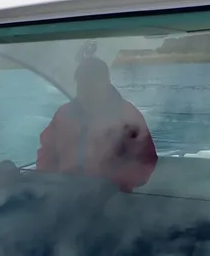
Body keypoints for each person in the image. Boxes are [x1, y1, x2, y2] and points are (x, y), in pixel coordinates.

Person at [36, 57, 157, 192]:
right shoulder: (63, 114)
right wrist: (47, 180)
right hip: (65, 193)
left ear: (106, 83)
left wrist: (118, 182)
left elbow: (146, 159)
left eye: (92, 85)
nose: (86, 92)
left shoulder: (128, 116)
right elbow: (47, 151)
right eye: (82, 86)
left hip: (112, 197)